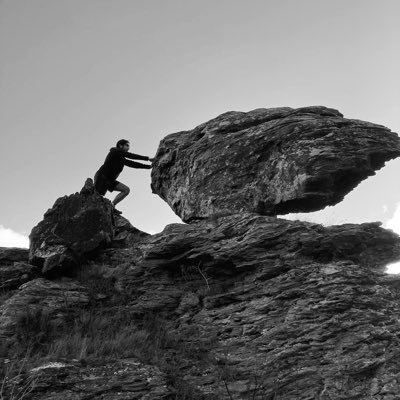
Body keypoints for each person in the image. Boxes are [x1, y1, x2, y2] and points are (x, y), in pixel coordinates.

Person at [94, 139, 154, 214]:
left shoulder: (121, 158)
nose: (128, 148)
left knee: (126, 190)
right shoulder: (115, 151)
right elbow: (131, 156)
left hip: (110, 180)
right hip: (102, 177)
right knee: (96, 198)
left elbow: (133, 164)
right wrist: (147, 158)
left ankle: (112, 206)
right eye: (127, 145)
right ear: (120, 146)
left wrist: (148, 167)